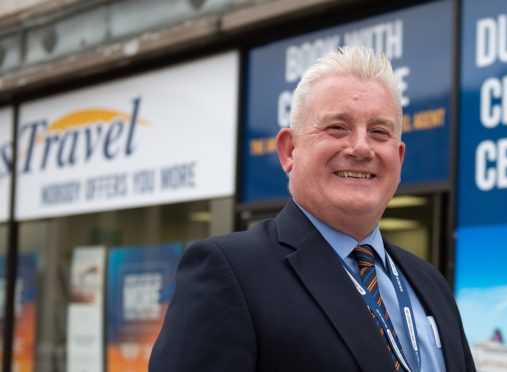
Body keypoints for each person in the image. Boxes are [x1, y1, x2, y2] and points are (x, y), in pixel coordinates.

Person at [149, 47, 475, 372]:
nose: (361, 147)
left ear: (399, 158)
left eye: (379, 132)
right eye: (337, 127)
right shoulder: (229, 273)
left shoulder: (430, 283)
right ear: (289, 150)